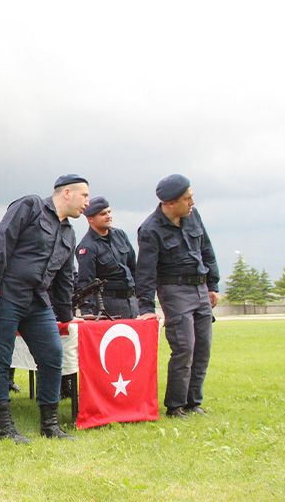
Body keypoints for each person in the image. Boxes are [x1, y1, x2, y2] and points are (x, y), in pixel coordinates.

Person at [0, 174, 89, 443]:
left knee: (52, 355)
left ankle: (49, 425)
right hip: (5, 294)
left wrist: (67, 318)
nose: (88, 202)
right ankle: (5, 428)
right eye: (84, 196)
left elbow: (64, 278)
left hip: (37, 301)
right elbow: (2, 241)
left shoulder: (68, 232)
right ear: (66, 193)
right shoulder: (30, 206)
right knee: (0, 360)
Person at [136, 174, 219, 418]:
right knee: (184, 347)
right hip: (174, 291)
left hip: (200, 288)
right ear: (170, 203)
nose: (192, 202)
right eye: (187, 199)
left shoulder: (193, 216)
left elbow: (207, 249)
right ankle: (176, 405)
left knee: (203, 347)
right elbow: (146, 272)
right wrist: (145, 307)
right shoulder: (151, 229)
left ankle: (194, 402)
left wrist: (212, 284)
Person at [75, 196, 138, 318]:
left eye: (109, 212)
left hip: (132, 302)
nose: (108, 216)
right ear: (90, 219)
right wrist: (87, 312)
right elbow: (86, 282)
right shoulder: (87, 247)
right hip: (109, 305)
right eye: (103, 214)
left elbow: (133, 268)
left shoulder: (120, 235)